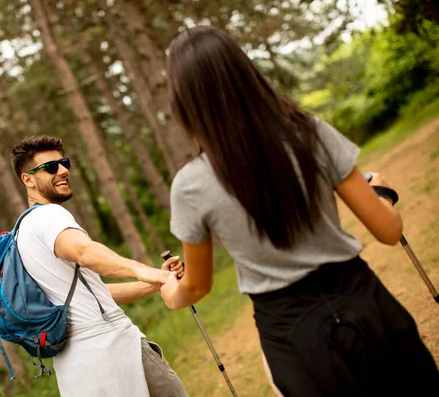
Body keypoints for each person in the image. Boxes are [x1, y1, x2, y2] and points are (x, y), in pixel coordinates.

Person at [160, 26, 439, 397]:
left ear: (185, 101)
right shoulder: (309, 132)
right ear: (247, 74)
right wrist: (381, 192)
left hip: (292, 337)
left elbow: (197, 286)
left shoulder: (190, 185)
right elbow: (388, 232)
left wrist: (171, 291)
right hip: (367, 304)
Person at [10, 135, 187, 397]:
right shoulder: (49, 215)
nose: (63, 171)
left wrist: (158, 280)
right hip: (112, 347)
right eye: (51, 167)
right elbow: (85, 251)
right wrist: (144, 270)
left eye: (64, 163)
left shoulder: (22, 233)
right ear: (28, 179)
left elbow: (96, 295)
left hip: (77, 368)